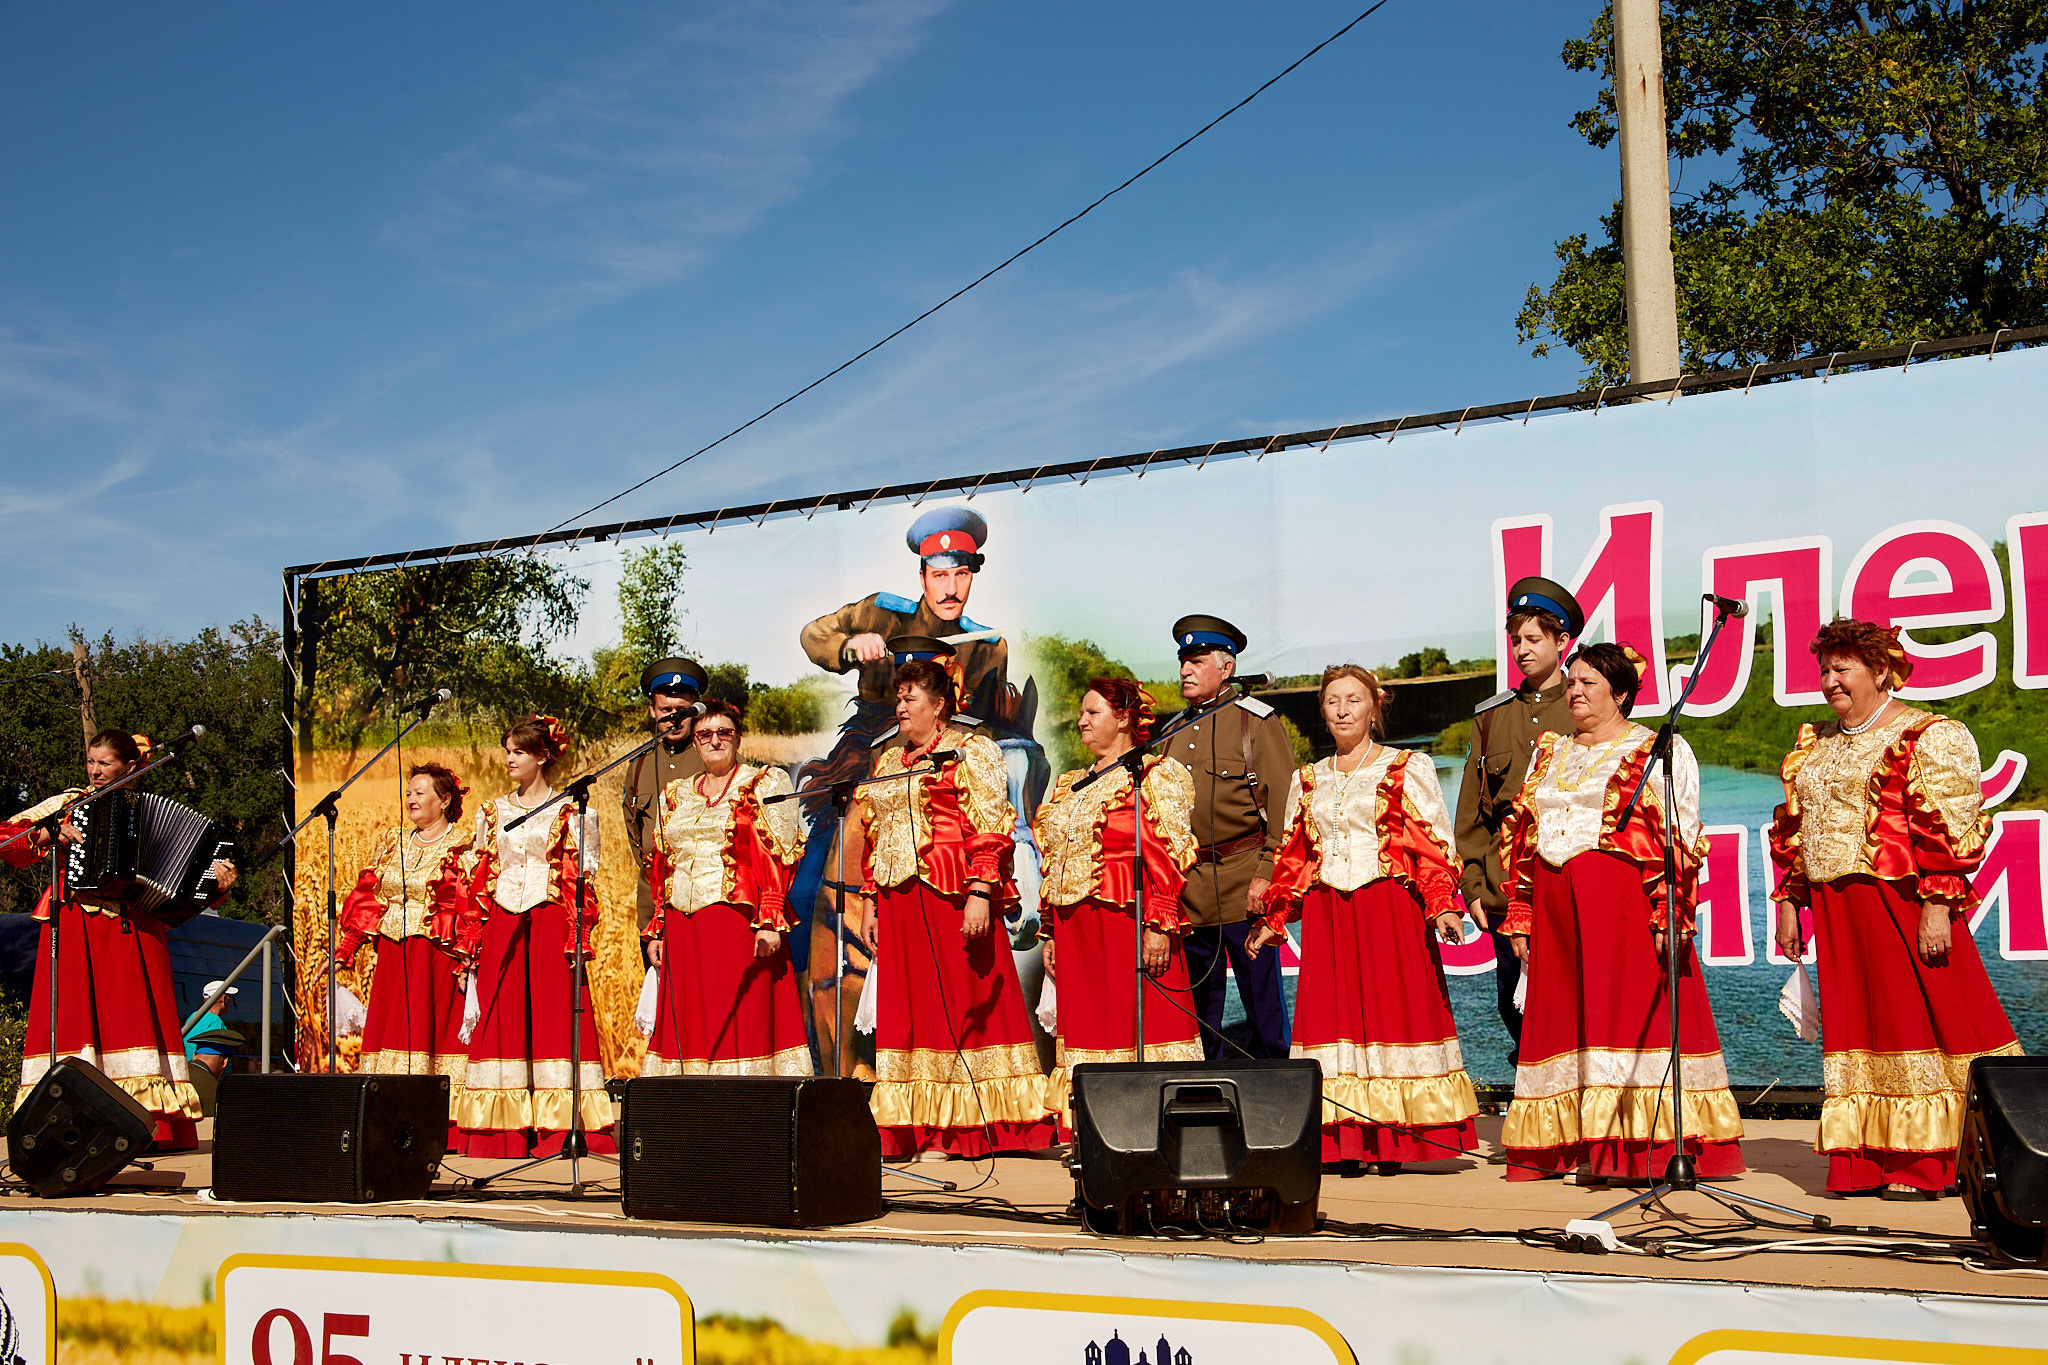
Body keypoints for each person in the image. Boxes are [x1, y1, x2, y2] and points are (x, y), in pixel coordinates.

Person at [1769, 618, 2021, 1199]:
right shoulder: (1817, 746)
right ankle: (1866, 1157)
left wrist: (1937, 904)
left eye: (1843, 668)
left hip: (1900, 902)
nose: (1830, 680)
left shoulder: (1928, 733)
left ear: (1882, 671)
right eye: (1825, 669)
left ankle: (1930, 1158)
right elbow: (1796, 832)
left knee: (1924, 1019)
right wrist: (1789, 901)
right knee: (1859, 1028)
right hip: (1836, 906)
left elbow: (1950, 827)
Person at [797, 509, 1046, 1074]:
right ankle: (815, 1047)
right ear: (922, 576)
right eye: (940, 574)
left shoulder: (987, 644)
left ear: (972, 575)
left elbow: (988, 731)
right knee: (807, 886)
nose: (951, 587)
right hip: (864, 763)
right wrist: (850, 646)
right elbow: (813, 636)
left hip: (941, 773)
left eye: (962, 574)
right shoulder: (881, 613)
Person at [1497, 643, 1744, 1183]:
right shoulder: (1549, 751)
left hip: (1621, 906)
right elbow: (1522, 838)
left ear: (1621, 694)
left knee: (1627, 1016)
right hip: (1558, 906)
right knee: (1565, 1019)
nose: (1576, 692)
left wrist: (1672, 913)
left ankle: (1636, 1151)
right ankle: (1576, 1145)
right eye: (1572, 682)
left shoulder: (1656, 749)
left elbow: (1682, 836)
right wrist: (1521, 910)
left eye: (1589, 683)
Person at [1249, 665, 1479, 1171]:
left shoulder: (1405, 767)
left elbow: (1432, 844)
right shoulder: (1306, 779)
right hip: (1331, 912)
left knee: (1390, 1012)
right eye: (1332, 701)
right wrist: (1276, 916)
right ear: (1323, 713)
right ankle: (1345, 1138)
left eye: (1353, 699)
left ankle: (1396, 1138)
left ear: (1375, 706)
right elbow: (1295, 856)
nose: (1342, 709)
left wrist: (1442, 904)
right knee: (1337, 1020)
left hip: (1388, 907)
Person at [853, 659, 1053, 1158]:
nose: (900, 707)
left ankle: (962, 1128)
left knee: (959, 1006)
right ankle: (916, 1125)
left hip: (950, 895)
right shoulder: (885, 763)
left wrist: (982, 890)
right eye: (898, 699)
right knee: (909, 1012)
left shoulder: (970, 751)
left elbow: (991, 821)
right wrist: (871, 900)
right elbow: (876, 837)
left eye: (910, 698)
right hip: (898, 902)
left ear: (939, 705)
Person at [1, 729, 237, 1150]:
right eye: (91, 762)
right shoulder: (70, 804)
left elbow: (179, 899)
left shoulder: (146, 810)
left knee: (134, 1019)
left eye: (104, 763)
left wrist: (215, 885)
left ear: (130, 766)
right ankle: (71, 1118)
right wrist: (50, 835)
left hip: (136, 931)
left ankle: (150, 1126)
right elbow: (9, 841)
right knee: (77, 1018)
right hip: (79, 926)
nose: (94, 771)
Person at [1032, 678, 1200, 1127]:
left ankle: (1154, 1120)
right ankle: (1096, 1122)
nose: (1082, 722)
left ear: (1124, 718)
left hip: (1127, 919)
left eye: (1093, 713)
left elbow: (1172, 850)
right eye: (1083, 714)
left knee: (1139, 1022)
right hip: (1076, 928)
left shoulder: (1154, 774)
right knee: (1090, 1026)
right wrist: (1050, 929)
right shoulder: (1070, 784)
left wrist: (1160, 922)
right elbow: (1057, 859)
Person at [452, 715, 613, 1158]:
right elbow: (479, 881)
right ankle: (501, 1133)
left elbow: (581, 879)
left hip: (549, 922)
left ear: (542, 756)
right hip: (503, 922)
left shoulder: (572, 811)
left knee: (554, 1018)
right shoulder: (492, 811)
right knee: (501, 1019)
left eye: (518, 752)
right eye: (507, 751)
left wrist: (577, 936)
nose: (509, 759)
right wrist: (470, 947)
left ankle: (558, 1131)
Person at [641, 699, 812, 1077]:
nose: (714, 740)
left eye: (724, 733)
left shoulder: (763, 782)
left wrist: (769, 918)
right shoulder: (677, 793)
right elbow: (663, 864)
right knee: (690, 1024)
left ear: (738, 738)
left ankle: (742, 1116)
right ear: (695, 741)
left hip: (736, 923)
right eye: (704, 734)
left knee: (739, 1019)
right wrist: (658, 928)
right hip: (683, 928)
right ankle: (691, 1118)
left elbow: (779, 853)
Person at [1454, 576, 1583, 1065]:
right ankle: (1535, 1129)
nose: (1522, 651)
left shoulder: (1585, 705)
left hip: (1567, 882)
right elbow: (1472, 815)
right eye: (1515, 641)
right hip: (1505, 890)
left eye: (1533, 639)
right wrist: (1472, 886)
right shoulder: (1492, 717)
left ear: (1561, 641)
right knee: (1518, 1010)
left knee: (1577, 1008)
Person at [1161, 614, 1293, 1060]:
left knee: (1263, 1005)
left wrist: (1266, 874)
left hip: (1244, 882)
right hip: (1190, 888)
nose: (1185, 671)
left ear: (1227, 668)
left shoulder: (1256, 722)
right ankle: (1204, 1096)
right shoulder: (1171, 732)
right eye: (1184, 661)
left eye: (1196, 661)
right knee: (1199, 1009)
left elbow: (1284, 810)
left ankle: (1277, 1096)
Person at [333, 762, 475, 1135]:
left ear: (444, 800)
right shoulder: (392, 841)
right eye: (408, 792)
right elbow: (368, 897)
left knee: (431, 1035)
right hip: (394, 955)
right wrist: (347, 947)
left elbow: (468, 906)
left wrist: (467, 960)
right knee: (390, 1034)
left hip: (435, 957)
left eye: (420, 792)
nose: (410, 799)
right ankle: (389, 1117)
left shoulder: (461, 844)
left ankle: (435, 1122)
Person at [621, 657, 707, 944]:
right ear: (651, 710)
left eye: (682, 710)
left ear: (696, 711)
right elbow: (633, 828)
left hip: (702, 902)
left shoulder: (714, 757)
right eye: (666, 710)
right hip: (652, 907)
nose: (674, 718)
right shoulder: (640, 764)